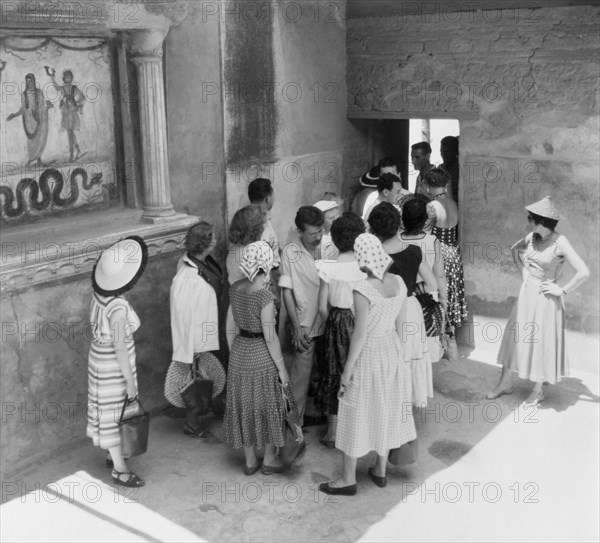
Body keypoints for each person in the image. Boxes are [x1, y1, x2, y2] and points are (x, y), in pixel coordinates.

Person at [319, 234, 416, 496]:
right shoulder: (399, 282)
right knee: (385, 406)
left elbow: (359, 335)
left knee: (353, 411)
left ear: (362, 259)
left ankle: (347, 479)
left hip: (369, 354)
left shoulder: (362, 289)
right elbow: (402, 326)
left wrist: (347, 372)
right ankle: (380, 470)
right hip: (391, 350)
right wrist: (402, 360)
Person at [487, 196, 590, 404]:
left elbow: (584, 272)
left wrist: (562, 290)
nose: (528, 222)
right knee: (514, 338)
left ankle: (537, 389)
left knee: (540, 342)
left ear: (540, 221)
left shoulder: (560, 242)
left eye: (530, 219)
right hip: (527, 294)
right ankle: (505, 382)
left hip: (546, 298)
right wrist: (525, 274)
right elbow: (514, 250)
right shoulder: (532, 237)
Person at [223, 241, 291, 475]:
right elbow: (270, 336)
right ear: (266, 265)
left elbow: (229, 324)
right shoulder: (264, 296)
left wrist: (235, 352)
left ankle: (250, 460)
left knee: (244, 407)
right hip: (262, 354)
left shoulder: (235, 288)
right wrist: (281, 368)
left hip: (240, 352)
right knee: (269, 406)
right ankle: (270, 458)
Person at [87, 235, 148, 488]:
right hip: (113, 364)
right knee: (115, 412)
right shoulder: (118, 308)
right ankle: (120, 469)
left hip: (98, 360)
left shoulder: (99, 297)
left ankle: (111, 454)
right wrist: (130, 382)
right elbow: (120, 347)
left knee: (106, 409)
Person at [368, 202, 438, 406]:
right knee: (410, 358)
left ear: (374, 229)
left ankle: (390, 409)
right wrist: (413, 288)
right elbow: (432, 283)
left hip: (386, 310)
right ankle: (408, 410)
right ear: (399, 225)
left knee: (389, 361)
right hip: (411, 309)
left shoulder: (375, 255)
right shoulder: (414, 250)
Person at [166, 221, 226, 438]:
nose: (217, 240)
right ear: (204, 243)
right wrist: (188, 348)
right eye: (213, 237)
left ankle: (211, 407)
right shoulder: (186, 276)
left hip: (210, 330)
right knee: (194, 381)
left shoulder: (203, 261)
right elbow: (181, 315)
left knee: (209, 376)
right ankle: (191, 423)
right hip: (197, 339)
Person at [315, 212, 366, 448]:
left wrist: (332, 323)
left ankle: (332, 430)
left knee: (332, 371)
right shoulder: (365, 267)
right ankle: (356, 427)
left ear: (333, 239)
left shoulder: (328, 267)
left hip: (335, 319)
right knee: (355, 371)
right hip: (358, 321)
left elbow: (320, 306)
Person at [279, 206, 327, 426]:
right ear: (299, 232)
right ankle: (293, 427)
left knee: (326, 373)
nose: (318, 237)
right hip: (305, 324)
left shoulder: (329, 247)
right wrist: (297, 326)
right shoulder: (289, 252)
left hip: (328, 320)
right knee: (299, 379)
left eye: (320, 231)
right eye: (312, 234)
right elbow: (286, 292)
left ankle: (327, 420)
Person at [397, 193, 447, 363]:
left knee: (404, 346)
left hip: (403, 298)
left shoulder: (396, 241)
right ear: (425, 220)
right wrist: (443, 301)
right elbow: (439, 275)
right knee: (426, 347)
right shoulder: (433, 241)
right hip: (427, 297)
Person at [424, 168, 468, 331]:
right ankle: (451, 334)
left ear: (428, 186)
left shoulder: (432, 206)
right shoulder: (454, 204)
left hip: (439, 253)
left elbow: (425, 233)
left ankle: (439, 334)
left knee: (440, 292)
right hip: (454, 252)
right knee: (452, 292)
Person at [225, 205, 268, 347]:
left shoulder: (235, 249)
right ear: (255, 229)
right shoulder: (250, 255)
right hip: (251, 318)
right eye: (262, 225)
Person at [6, 73, 53, 167]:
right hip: (29, 120)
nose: (29, 83)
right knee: (31, 141)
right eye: (27, 81)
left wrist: (47, 107)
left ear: (34, 81)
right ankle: (30, 160)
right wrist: (14, 115)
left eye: (30, 80)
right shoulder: (24, 94)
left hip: (39, 118)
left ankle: (39, 159)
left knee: (40, 139)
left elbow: (42, 105)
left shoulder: (39, 92)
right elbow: (23, 108)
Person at [49, 69, 85, 162]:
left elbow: (82, 97)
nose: (68, 78)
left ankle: (72, 153)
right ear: (64, 78)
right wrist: (52, 77)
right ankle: (77, 150)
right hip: (65, 111)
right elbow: (56, 87)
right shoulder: (63, 87)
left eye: (69, 77)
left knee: (70, 132)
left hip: (72, 111)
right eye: (66, 77)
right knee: (70, 132)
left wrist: (76, 102)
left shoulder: (74, 88)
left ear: (71, 78)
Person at [440, 136, 459, 205]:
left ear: (456, 152)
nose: (443, 154)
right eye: (442, 151)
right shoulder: (440, 168)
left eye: (447, 151)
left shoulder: (461, 170)